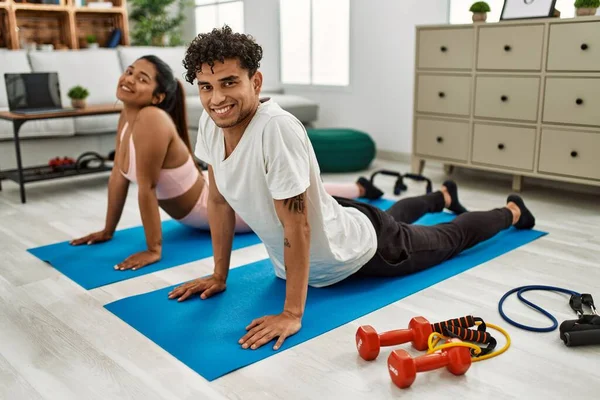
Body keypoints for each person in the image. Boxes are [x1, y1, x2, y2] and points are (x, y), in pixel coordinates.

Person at [167, 25, 537, 352]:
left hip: (360, 252)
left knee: (447, 237)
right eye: (206, 87)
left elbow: (298, 226)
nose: (217, 98)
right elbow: (216, 201)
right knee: (388, 216)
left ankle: (513, 212)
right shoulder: (214, 127)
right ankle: (441, 196)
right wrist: (219, 275)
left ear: (256, 82)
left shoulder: (274, 129)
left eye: (229, 82)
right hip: (342, 218)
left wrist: (292, 312)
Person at [69, 54, 385, 270]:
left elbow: (146, 188)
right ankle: (358, 188)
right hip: (205, 196)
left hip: (210, 207)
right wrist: (107, 231)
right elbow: (119, 176)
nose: (129, 80)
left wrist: (154, 250)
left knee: (299, 194)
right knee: (285, 189)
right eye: (129, 72)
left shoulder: (151, 119)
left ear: (157, 98)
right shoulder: (128, 115)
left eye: (141, 79)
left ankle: (358, 189)